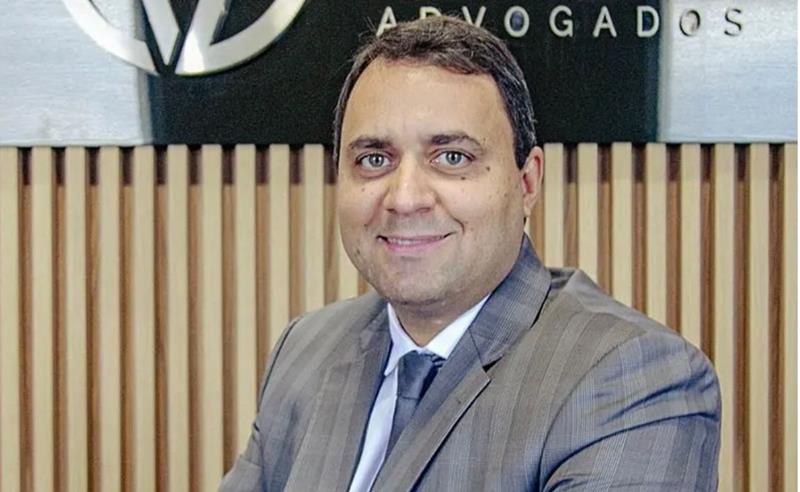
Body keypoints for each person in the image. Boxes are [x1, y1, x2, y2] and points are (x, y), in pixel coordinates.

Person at [220, 16, 720, 491]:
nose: (405, 198)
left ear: (527, 183)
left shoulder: (633, 379)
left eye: (452, 157)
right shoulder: (306, 350)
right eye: (374, 159)